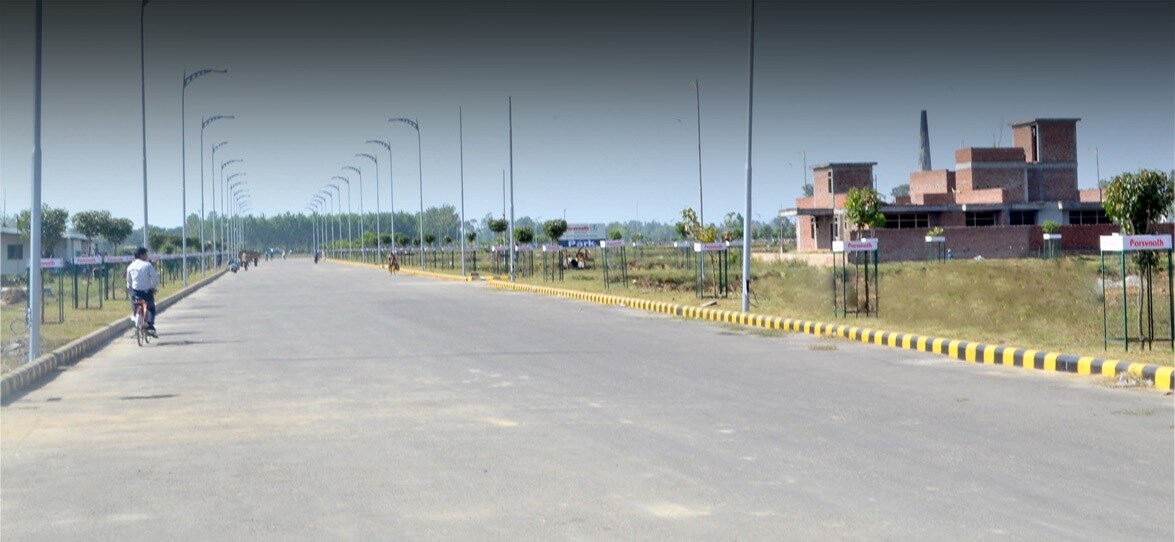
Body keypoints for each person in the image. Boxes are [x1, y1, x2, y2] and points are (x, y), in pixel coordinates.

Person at [125, 246, 159, 337]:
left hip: (135, 292)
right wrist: (154, 287)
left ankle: (136, 315)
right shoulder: (147, 265)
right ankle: (149, 324)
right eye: (145, 254)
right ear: (141, 255)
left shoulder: (130, 266)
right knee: (151, 308)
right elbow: (155, 278)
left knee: (134, 304)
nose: (147, 256)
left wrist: (130, 288)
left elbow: (128, 282)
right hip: (146, 292)